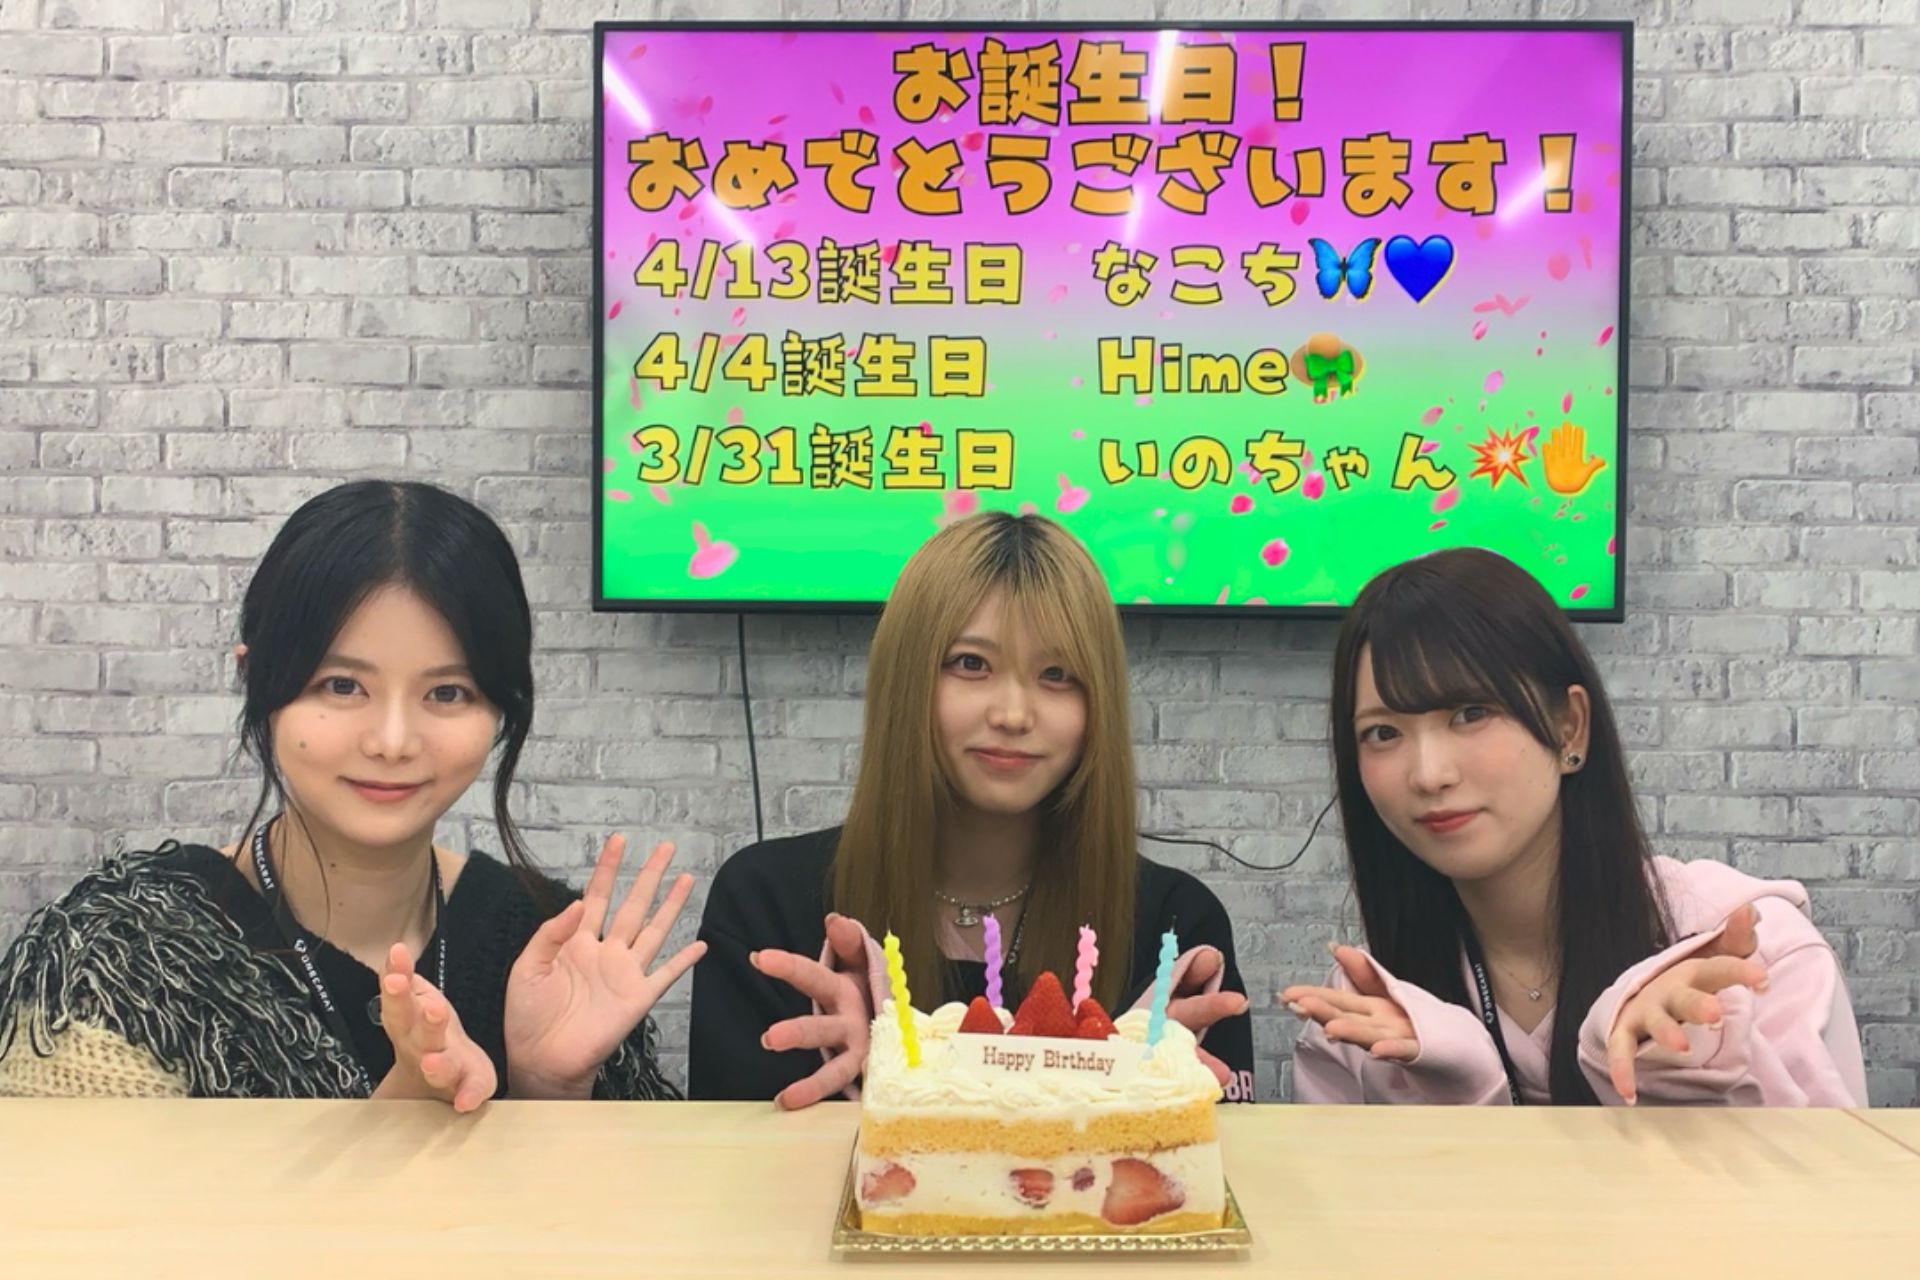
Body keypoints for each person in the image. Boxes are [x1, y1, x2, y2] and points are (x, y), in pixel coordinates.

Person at [0, 481, 703, 1106]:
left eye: (447, 693)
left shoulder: (546, 942)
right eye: (342, 686)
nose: (393, 741)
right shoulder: (122, 956)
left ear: (500, 708)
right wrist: (393, 1121)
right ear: (255, 680)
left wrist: (549, 1089)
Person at [689, 511, 1254, 1106]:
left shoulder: (1173, 930)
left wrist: (1137, 1083)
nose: (1013, 714)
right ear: (906, 680)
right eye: (971, 664)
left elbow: (1215, 1155)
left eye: (1057, 674)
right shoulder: (768, 905)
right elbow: (726, 1158)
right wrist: (869, 1080)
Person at [1283, 547, 1867, 1106]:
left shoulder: (1749, 956)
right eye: (1383, 733)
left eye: (1471, 713)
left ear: (1570, 729)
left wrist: (1686, 1074)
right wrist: (1464, 1091)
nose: (1429, 774)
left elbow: (1832, 1174)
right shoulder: (1368, 1002)